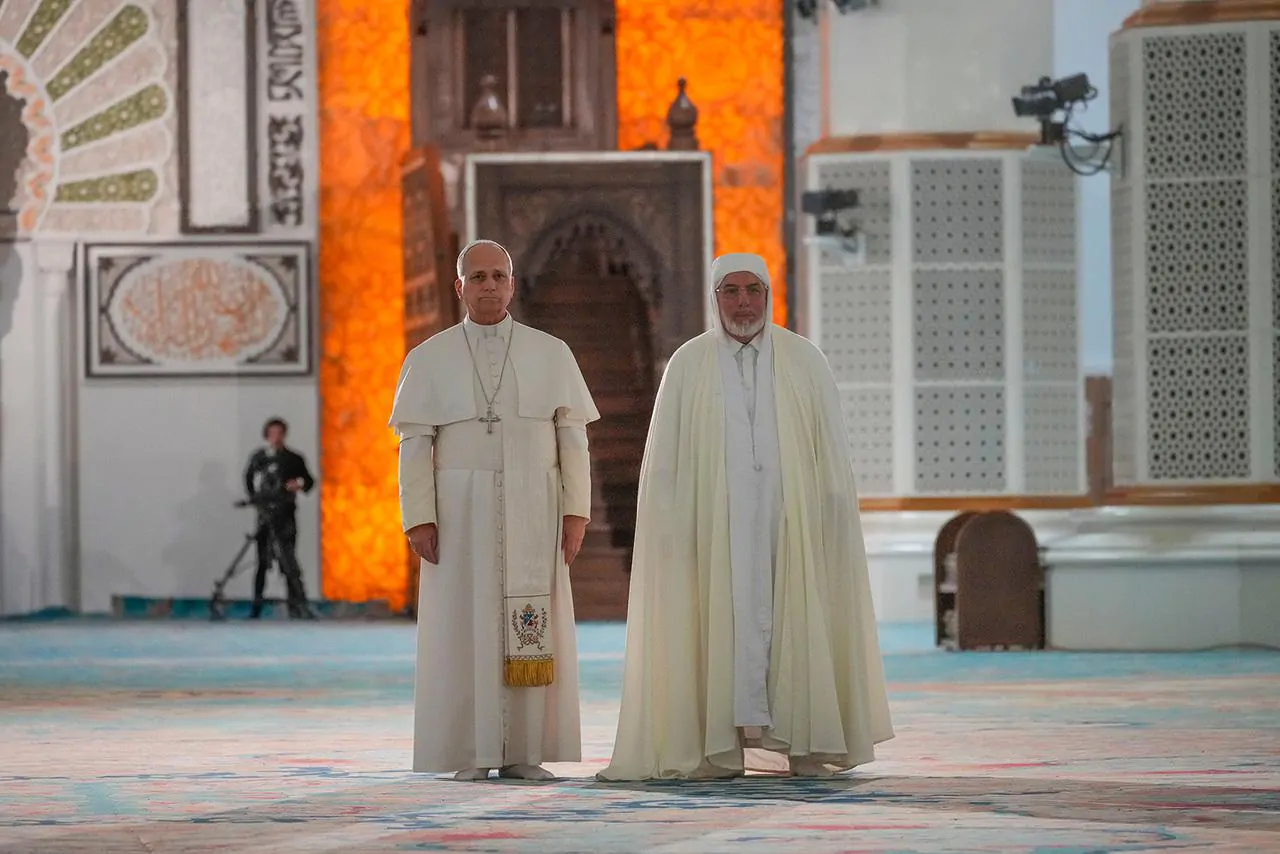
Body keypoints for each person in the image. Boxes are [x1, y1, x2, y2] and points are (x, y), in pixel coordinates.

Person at [599, 253, 894, 781]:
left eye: (752, 290)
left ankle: (804, 745)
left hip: (791, 525)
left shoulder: (805, 360)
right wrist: (671, 530)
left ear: (767, 295)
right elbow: (664, 462)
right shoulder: (688, 364)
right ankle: (717, 750)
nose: (742, 303)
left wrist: (829, 518)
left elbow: (831, 452)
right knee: (715, 628)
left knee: (795, 622)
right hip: (714, 530)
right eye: (730, 291)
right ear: (714, 298)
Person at [390, 238, 600, 781]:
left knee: (530, 625)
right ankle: (473, 751)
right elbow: (413, 445)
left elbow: (573, 439)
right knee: (466, 625)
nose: (489, 286)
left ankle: (525, 751)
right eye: (477, 277)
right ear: (459, 287)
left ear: (513, 284)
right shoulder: (429, 358)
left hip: (535, 506)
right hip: (460, 515)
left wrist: (576, 512)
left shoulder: (551, 353)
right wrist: (419, 516)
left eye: (498, 276)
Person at [242, 417, 316, 619]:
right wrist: (256, 499)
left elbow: (309, 481)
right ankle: (256, 606)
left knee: (289, 562)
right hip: (265, 514)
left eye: (279, 433)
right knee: (262, 561)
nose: (276, 437)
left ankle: (296, 606)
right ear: (267, 435)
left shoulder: (293, 458)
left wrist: (298, 485)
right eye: (272, 433)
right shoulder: (259, 458)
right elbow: (248, 479)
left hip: (286, 514)